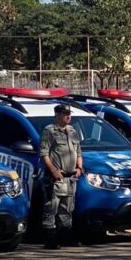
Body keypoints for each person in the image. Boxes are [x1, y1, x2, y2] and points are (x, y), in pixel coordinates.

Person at [40, 104, 83, 249]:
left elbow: (78, 152)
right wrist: (53, 170)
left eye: (69, 113)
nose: (68, 116)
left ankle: (65, 237)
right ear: (57, 115)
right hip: (57, 176)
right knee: (52, 207)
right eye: (65, 113)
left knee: (67, 208)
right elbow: (44, 154)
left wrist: (79, 167)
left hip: (71, 178)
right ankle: (50, 239)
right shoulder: (49, 131)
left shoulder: (72, 131)